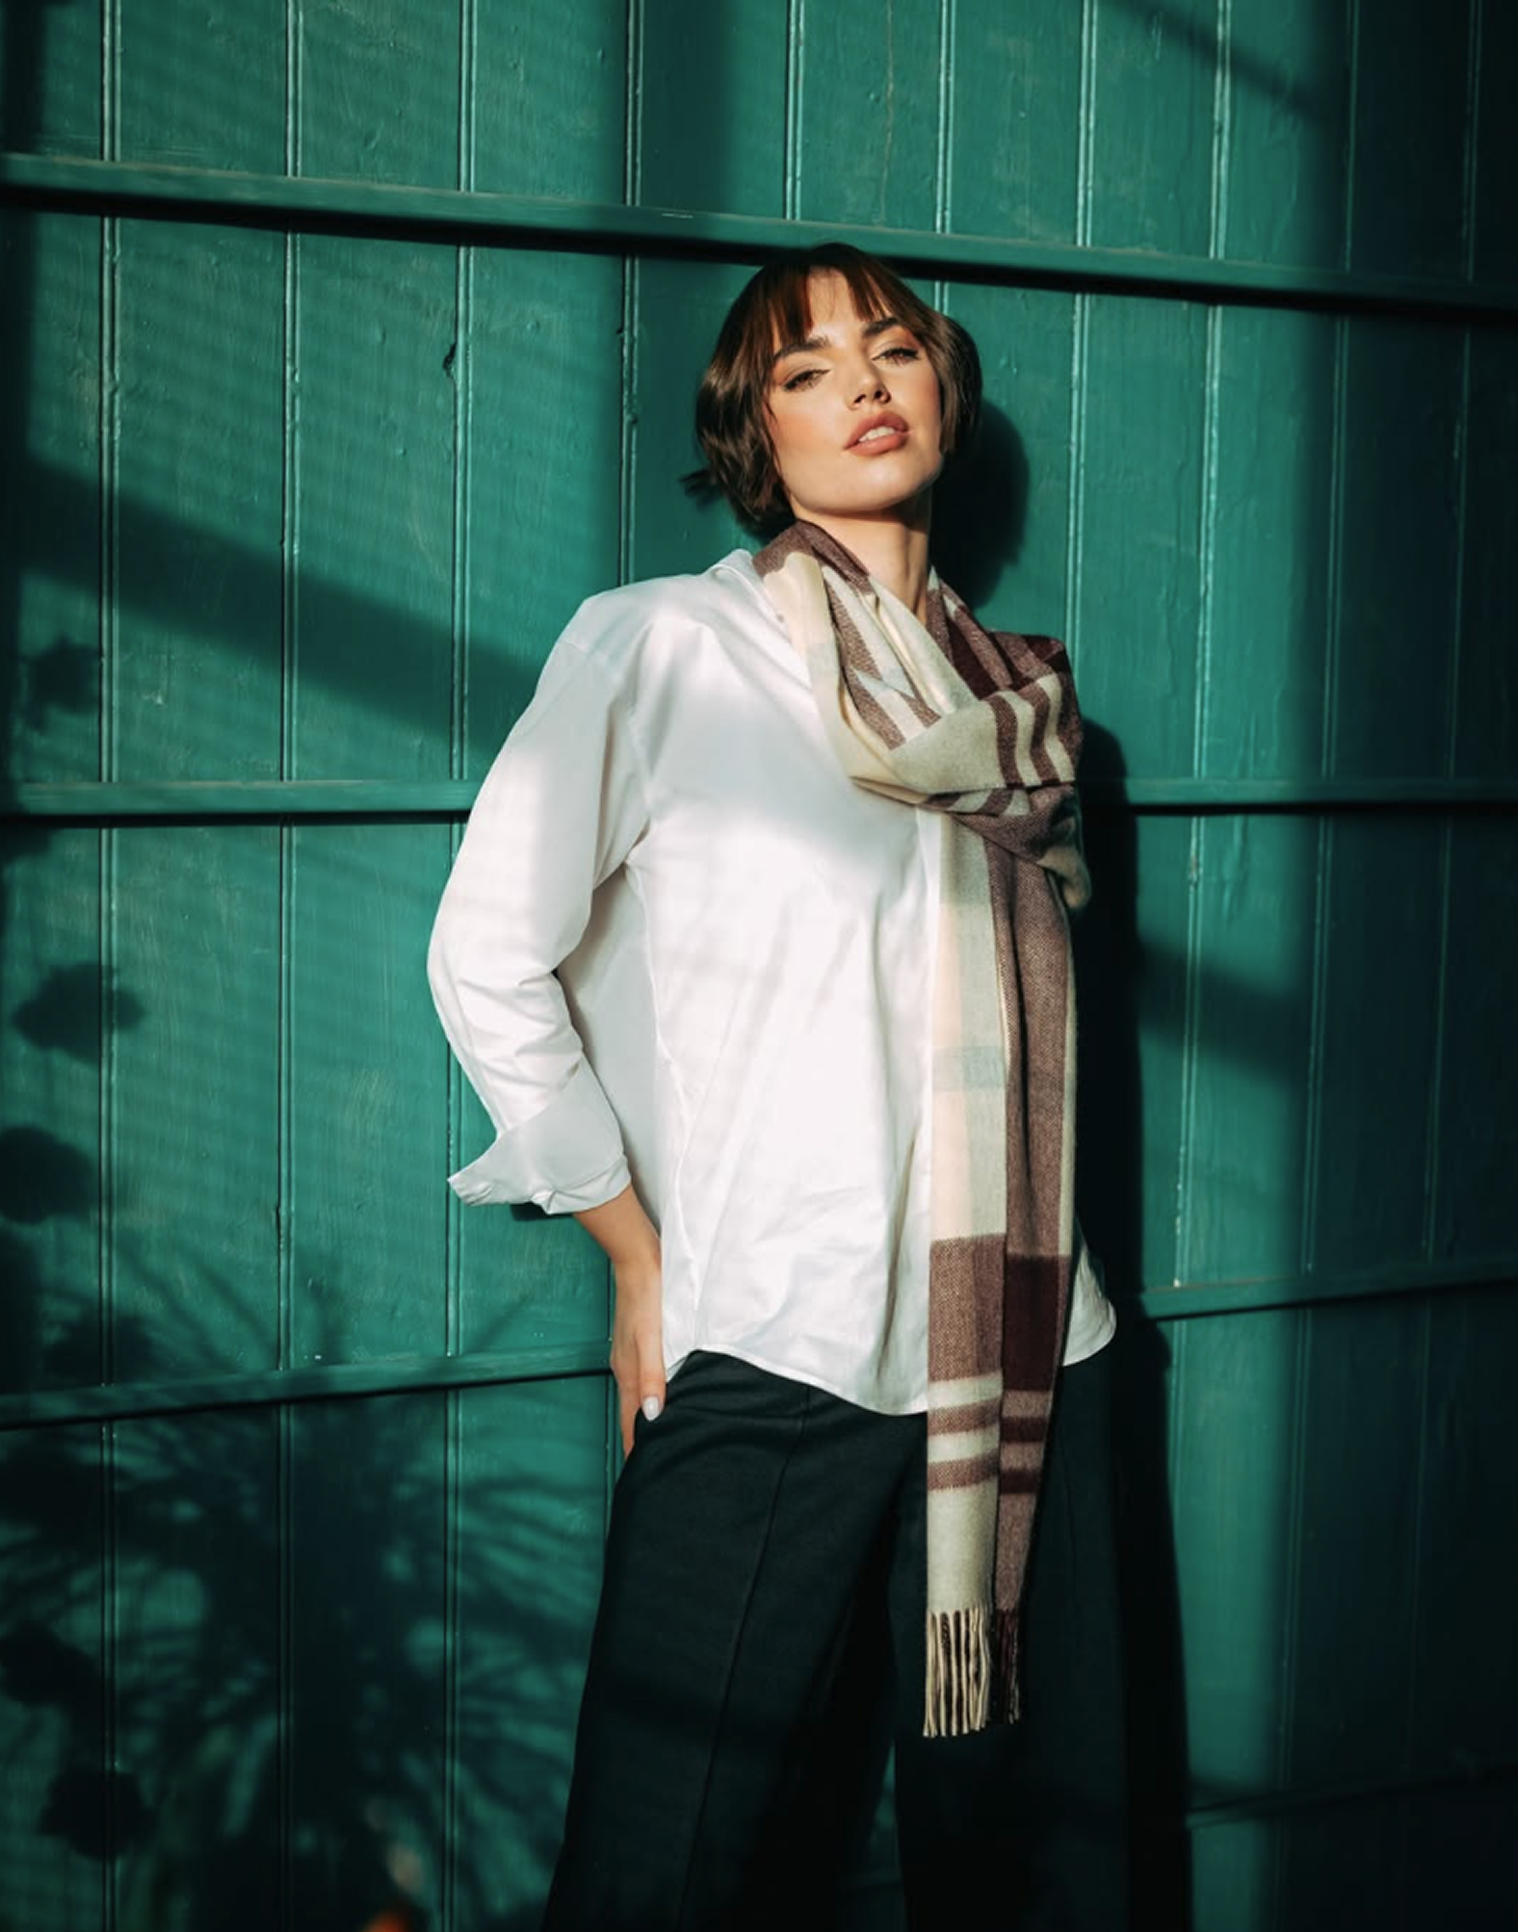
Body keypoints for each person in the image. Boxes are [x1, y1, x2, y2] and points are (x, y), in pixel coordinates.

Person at [428, 244, 1128, 1930]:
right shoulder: (665, 647)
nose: (861, 386)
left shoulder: (1019, 710)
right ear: (756, 432)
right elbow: (484, 955)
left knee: (1034, 1871)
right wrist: (631, 1251)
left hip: (1027, 1349)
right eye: (804, 370)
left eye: (892, 350)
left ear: (945, 392)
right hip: (777, 1336)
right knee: (660, 1871)